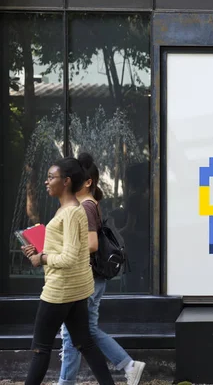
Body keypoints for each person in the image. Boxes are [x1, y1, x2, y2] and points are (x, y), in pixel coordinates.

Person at [21, 157, 114, 385]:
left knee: (40, 350)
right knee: (85, 343)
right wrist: (39, 249)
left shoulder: (72, 212)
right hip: (75, 290)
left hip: (60, 291)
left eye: (51, 177)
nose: (46, 182)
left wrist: (41, 258)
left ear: (67, 181)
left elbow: (70, 257)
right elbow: (69, 248)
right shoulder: (68, 209)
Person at [58, 153, 146, 385]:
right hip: (94, 278)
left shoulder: (86, 207)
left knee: (71, 334)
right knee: (88, 331)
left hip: (86, 278)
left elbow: (92, 244)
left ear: (87, 182)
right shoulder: (91, 204)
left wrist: (62, 251)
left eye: (74, 179)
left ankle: (65, 382)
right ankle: (129, 365)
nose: (69, 183)